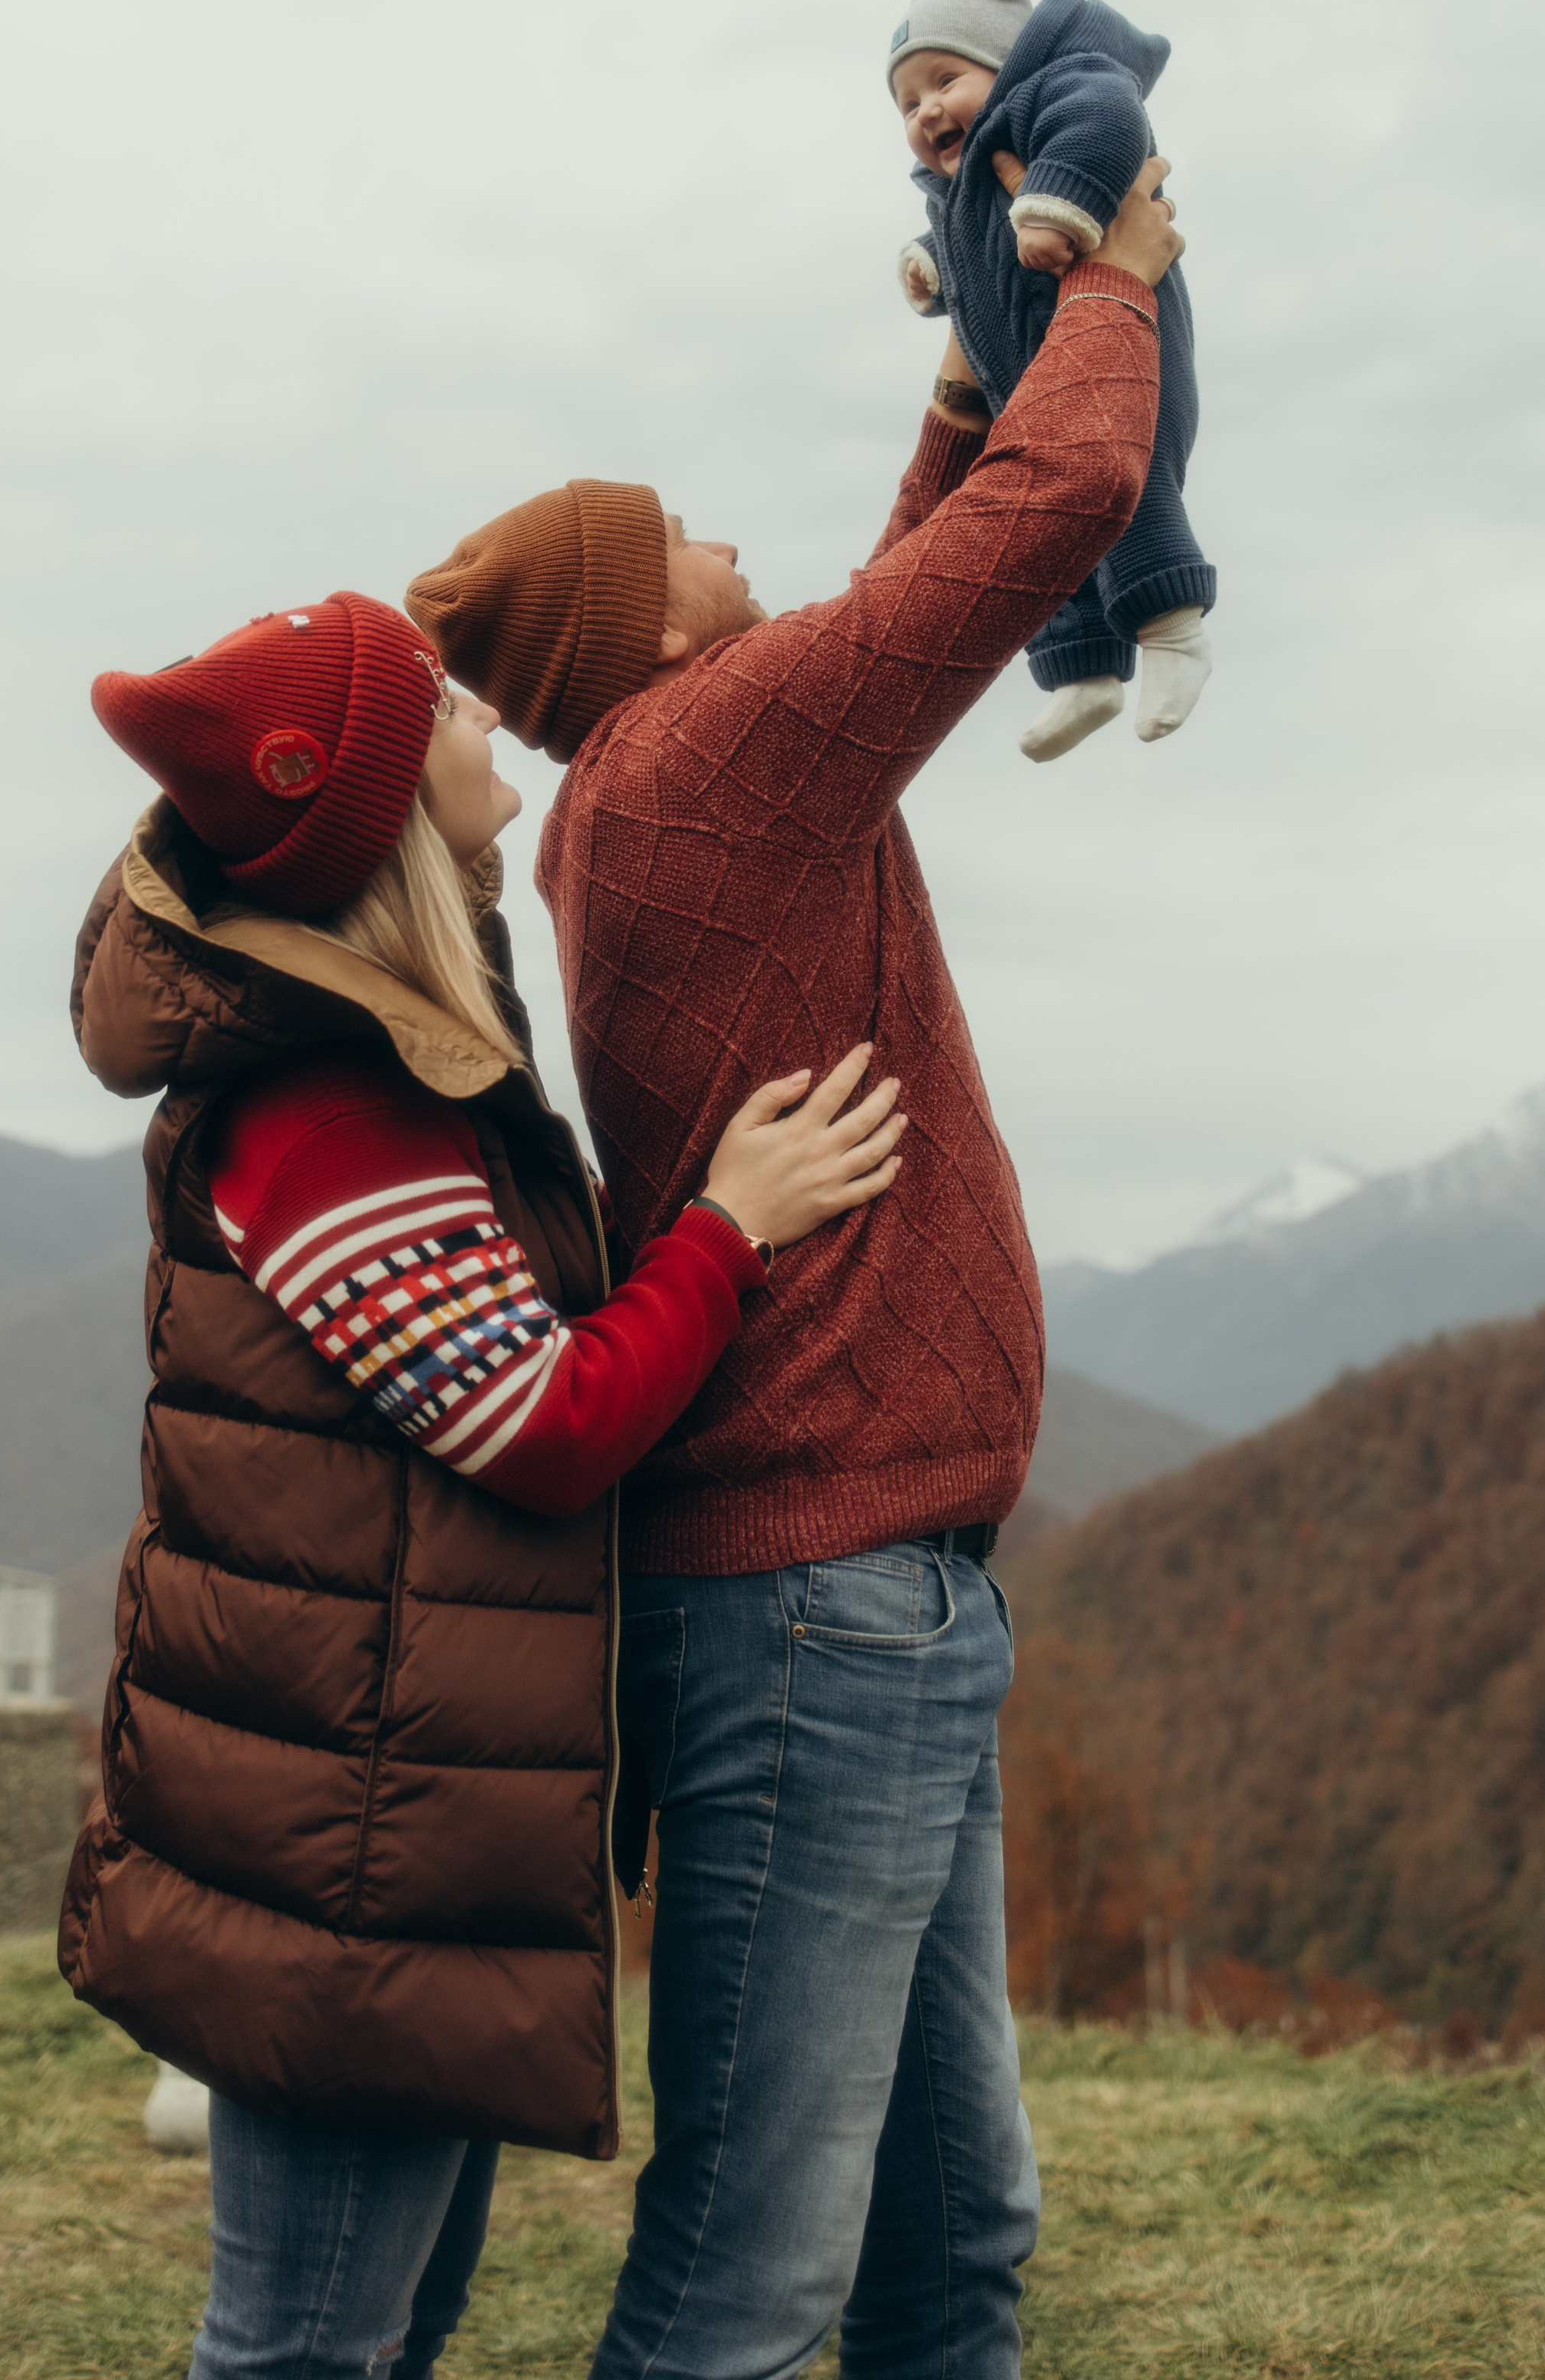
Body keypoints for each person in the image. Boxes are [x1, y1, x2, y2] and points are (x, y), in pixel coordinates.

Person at [404, 157, 1185, 2380]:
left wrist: (967, 362)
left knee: (956, 2245)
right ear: (642, 634)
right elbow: (1055, 514)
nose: (727, 536)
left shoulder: (668, 771)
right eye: (682, 533)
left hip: (871, 1601)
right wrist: (1113, 281)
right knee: (752, 2278)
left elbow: (902, 573)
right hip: (818, 1612)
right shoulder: (707, 771)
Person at [58, 585, 904, 2380]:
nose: (477, 722)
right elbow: (537, 1421)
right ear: (373, 811)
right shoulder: (331, 1113)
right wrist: (728, 1236)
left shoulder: (386, 1058)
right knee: (307, 2342)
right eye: (438, 705)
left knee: (373, 2324)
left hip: (379, 1821)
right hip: (345, 1859)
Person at [892, 0, 1216, 763]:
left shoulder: (1062, 88)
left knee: (1124, 488)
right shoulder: (959, 188)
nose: (927, 110)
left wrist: (1057, 204)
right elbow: (973, 247)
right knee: (1041, 529)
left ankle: (1173, 635)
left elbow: (1109, 123)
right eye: (906, 103)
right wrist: (933, 266)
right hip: (1029, 393)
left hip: (1126, 359)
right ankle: (1082, 674)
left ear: (1010, 61)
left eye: (944, 79)